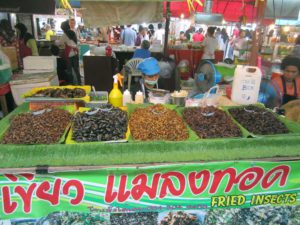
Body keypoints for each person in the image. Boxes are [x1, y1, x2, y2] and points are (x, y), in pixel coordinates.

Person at [56, 20, 81, 85]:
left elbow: (59, 43)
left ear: (63, 28)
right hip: (75, 53)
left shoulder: (65, 34)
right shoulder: (72, 32)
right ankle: (79, 83)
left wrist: (55, 41)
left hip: (69, 54)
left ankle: (71, 83)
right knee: (76, 70)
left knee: (69, 70)